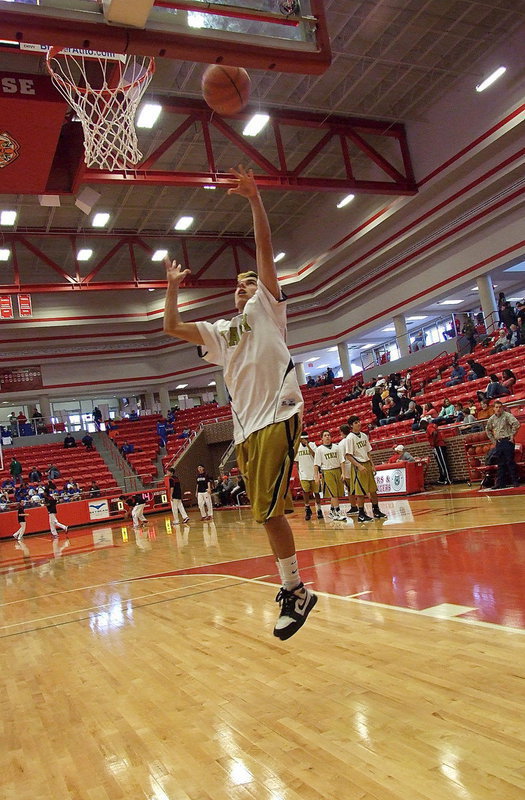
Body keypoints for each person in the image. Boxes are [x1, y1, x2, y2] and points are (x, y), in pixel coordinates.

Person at [163, 165, 316, 641]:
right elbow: (171, 327)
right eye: (239, 284)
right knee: (263, 513)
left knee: (268, 512)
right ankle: (294, 587)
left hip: (280, 410)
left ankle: (295, 589)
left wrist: (254, 199)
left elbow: (265, 252)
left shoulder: (266, 308)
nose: (242, 285)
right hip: (247, 428)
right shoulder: (222, 332)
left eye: (249, 281)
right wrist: (171, 288)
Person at [344, 416, 387, 522]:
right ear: (351, 425)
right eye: (355, 422)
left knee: (373, 490)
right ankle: (361, 514)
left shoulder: (364, 435)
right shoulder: (349, 438)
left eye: (359, 421)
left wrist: (372, 465)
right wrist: (359, 465)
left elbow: (368, 452)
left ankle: (376, 511)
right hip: (358, 466)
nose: (359, 423)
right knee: (360, 492)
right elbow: (348, 455)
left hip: (367, 463)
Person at [485, 401, 520, 489]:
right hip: (498, 442)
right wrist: (493, 441)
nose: (498, 409)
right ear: (493, 408)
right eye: (496, 407)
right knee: (500, 463)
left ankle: (515, 481)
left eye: (500, 407)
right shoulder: (492, 419)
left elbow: (516, 424)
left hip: (507, 440)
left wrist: (512, 435)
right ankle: (500, 483)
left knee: (510, 462)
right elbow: (488, 430)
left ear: (502, 408)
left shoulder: (507, 415)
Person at [314, 430, 346, 521]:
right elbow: (316, 464)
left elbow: (342, 461)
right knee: (333, 493)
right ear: (322, 438)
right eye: (325, 435)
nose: (327, 437)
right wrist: (316, 476)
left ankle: (332, 511)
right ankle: (337, 512)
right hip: (327, 471)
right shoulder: (319, 449)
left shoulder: (337, 447)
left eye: (328, 435)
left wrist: (343, 473)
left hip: (337, 470)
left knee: (337, 493)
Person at [294, 431, 323, 520]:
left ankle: (319, 509)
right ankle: (307, 508)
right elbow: (297, 461)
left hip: (313, 473)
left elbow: (315, 456)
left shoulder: (313, 445)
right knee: (305, 492)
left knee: (317, 492)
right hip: (304, 474)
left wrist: (308, 446)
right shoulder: (298, 448)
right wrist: (299, 473)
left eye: (306, 438)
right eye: (303, 439)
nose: (304, 440)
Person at [419, 420, 451, 485]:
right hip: (437, 446)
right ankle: (442, 478)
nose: (423, 429)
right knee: (440, 463)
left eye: (422, 427)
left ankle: (448, 479)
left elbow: (434, 433)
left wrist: (433, 442)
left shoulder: (429, 427)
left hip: (438, 446)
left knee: (443, 463)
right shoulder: (432, 425)